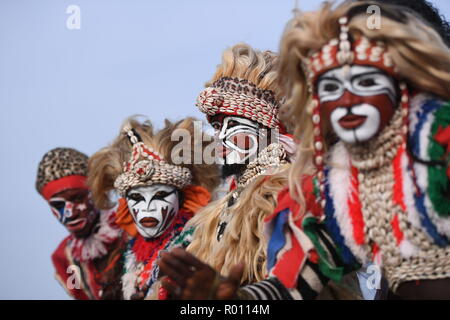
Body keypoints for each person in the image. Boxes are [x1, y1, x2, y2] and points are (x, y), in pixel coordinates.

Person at [158, 0, 450, 299]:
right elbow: (297, 283)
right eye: (331, 88)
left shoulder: (439, 142)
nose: (347, 103)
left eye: (365, 82)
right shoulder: (343, 186)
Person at [88, 117, 219, 299]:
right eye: (136, 197)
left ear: (183, 198)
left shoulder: (202, 241)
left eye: (159, 195)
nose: (147, 208)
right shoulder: (127, 253)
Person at [36, 147, 125, 299]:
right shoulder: (63, 258)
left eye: (77, 198)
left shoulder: (130, 229)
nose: (70, 212)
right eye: (58, 205)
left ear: (97, 192)